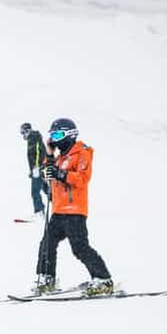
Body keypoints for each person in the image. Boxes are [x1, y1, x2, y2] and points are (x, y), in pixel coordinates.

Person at [34, 118, 113, 296]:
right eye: (52, 135)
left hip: (75, 211)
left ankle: (103, 279)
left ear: (70, 134)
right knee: (47, 244)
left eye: (58, 134)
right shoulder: (59, 157)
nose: (55, 139)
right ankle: (47, 278)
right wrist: (48, 156)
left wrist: (60, 173)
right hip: (59, 210)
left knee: (79, 248)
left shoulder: (82, 153)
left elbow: (82, 178)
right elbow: (50, 176)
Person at [20, 122, 49, 219]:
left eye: (23, 132)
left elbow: (36, 152)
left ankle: (39, 212)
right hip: (40, 167)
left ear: (27, 130)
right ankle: (58, 203)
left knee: (35, 191)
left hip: (38, 168)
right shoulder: (34, 137)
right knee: (46, 189)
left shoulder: (33, 137)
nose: (23, 135)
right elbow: (38, 153)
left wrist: (36, 168)